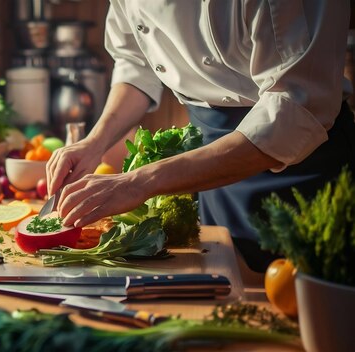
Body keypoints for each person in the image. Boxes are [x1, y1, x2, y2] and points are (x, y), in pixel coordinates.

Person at [46, 1, 355, 272]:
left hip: (307, 170)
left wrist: (140, 182)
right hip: (210, 164)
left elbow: (293, 110)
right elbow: (136, 62)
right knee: (225, 286)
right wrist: (94, 143)